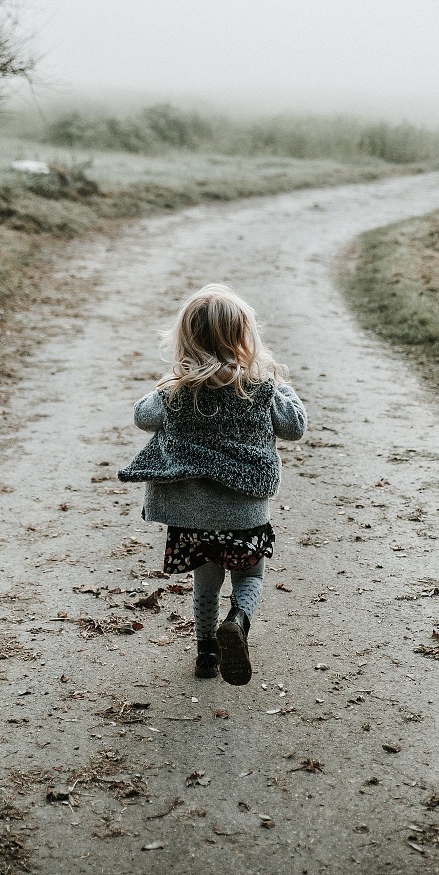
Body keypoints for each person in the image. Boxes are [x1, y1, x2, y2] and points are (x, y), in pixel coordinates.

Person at [118, 283, 306, 685]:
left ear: (187, 339)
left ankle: (206, 652)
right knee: (250, 576)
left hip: (191, 515)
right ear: (244, 336)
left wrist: (171, 382)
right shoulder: (261, 387)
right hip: (243, 511)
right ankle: (238, 620)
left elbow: (141, 417)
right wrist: (278, 383)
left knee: (205, 582)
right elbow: (294, 428)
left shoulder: (175, 391)